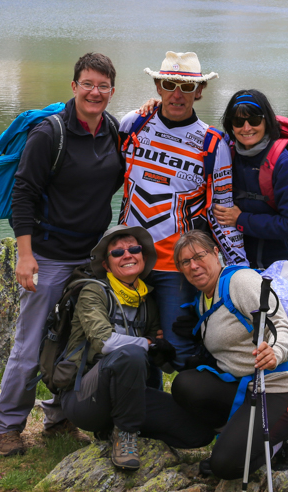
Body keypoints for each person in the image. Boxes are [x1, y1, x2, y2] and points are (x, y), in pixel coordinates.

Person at [0, 53, 125, 457]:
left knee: (77, 340)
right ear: (74, 86)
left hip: (90, 258)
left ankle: (60, 416)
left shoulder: (113, 130)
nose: (95, 92)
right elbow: (24, 194)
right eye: (88, 84)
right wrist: (25, 255)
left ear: (111, 91)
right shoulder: (50, 133)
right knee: (30, 344)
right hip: (48, 256)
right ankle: (8, 425)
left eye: (103, 86)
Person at [118, 51, 246, 367]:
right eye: (169, 84)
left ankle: (183, 412)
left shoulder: (213, 144)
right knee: (131, 346)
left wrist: (238, 269)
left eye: (186, 87)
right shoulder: (133, 123)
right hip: (127, 260)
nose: (177, 93)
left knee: (177, 349)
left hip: (176, 266)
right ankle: (140, 412)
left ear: (199, 92)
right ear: (158, 86)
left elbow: (224, 213)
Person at [60, 225, 216, 469]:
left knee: (199, 433)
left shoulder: (147, 300)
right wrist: (147, 342)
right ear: (106, 264)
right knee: (130, 353)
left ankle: (119, 426)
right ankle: (125, 434)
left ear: (143, 256)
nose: (128, 255)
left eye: (134, 249)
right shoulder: (93, 292)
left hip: (130, 395)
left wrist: (167, 348)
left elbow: (160, 363)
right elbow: (106, 342)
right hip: (84, 398)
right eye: (117, 253)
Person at [170, 231, 288, 480]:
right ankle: (239, 436)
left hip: (285, 388)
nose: (193, 266)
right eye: (185, 262)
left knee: (226, 466)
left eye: (199, 256)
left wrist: (275, 352)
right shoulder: (203, 298)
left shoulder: (241, 281)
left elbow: (281, 326)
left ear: (216, 253)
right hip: (249, 388)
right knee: (185, 385)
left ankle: (287, 437)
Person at [213, 89, 288, 269]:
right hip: (242, 263)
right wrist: (154, 108)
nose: (246, 128)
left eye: (254, 120)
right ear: (231, 124)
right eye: (239, 121)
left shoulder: (283, 163)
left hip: (284, 266)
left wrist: (240, 219)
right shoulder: (226, 153)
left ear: (266, 121)